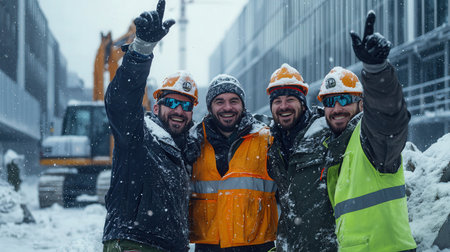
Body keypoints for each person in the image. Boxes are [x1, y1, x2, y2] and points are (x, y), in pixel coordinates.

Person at [269, 11, 417, 251]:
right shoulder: (332, 144)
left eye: (345, 99)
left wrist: (377, 71)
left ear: (361, 102)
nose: (336, 108)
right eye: (329, 102)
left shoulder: (371, 138)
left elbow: (390, 116)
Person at [102, 1, 198, 251]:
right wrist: (141, 50)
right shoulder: (139, 135)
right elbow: (122, 102)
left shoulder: (186, 150)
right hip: (136, 243)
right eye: (172, 103)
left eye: (186, 106)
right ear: (156, 108)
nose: (179, 111)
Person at [188, 74, 278, 251]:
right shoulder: (193, 143)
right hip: (208, 247)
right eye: (219, 101)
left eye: (234, 101)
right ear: (210, 107)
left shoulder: (267, 139)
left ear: (243, 105)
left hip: (257, 246)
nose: (227, 107)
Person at [266, 63, 335, 251]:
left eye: (290, 99)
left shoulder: (327, 134)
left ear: (302, 103)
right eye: (277, 101)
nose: (283, 106)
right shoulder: (272, 145)